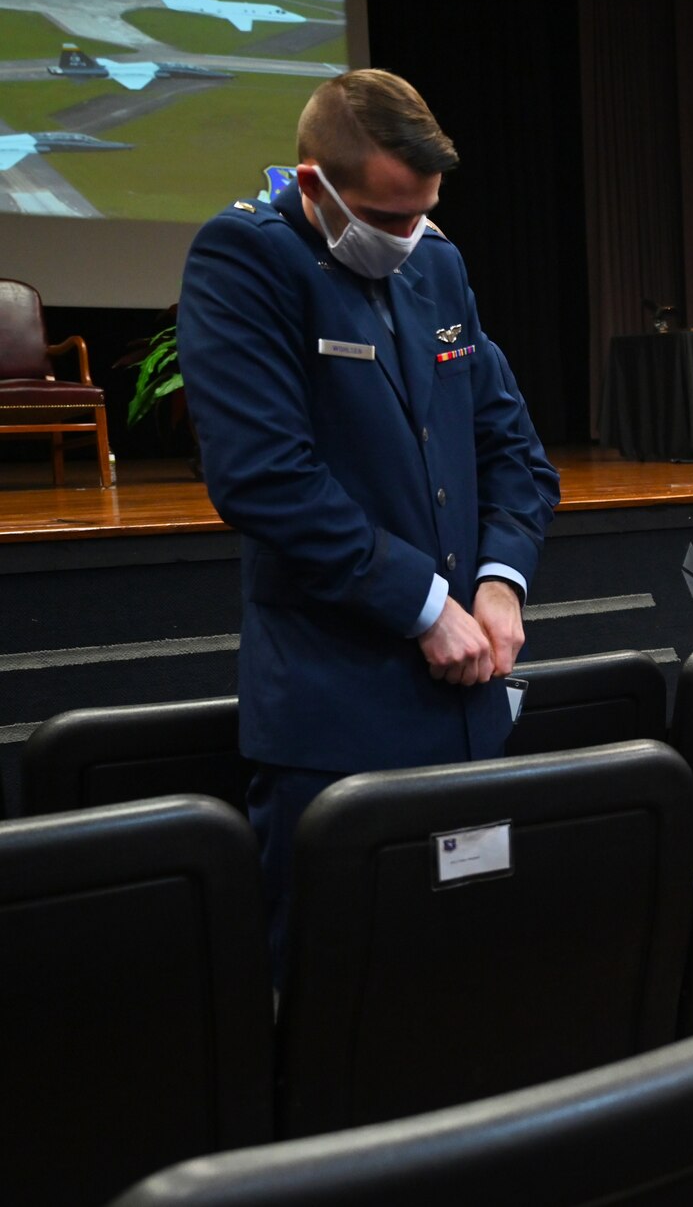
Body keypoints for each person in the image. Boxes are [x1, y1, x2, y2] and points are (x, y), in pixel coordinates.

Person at [177, 69, 559, 965]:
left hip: (470, 705)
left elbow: (513, 449)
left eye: (423, 212)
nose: (408, 237)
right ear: (312, 184)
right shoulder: (245, 259)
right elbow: (265, 478)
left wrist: (502, 581)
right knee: (336, 991)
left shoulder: (438, 263)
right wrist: (424, 605)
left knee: (469, 973)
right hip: (337, 708)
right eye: (386, 217)